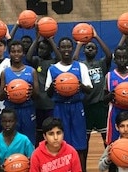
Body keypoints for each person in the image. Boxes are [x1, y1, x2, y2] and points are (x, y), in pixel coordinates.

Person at [45, 37, 93, 172]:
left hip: (76, 106)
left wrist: (78, 84)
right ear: (58, 49)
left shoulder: (80, 66)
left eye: (68, 47)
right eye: (63, 47)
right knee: (60, 142)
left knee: (80, 145)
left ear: (72, 48)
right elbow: (48, 94)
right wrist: (54, 86)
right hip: (60, 108)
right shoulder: (53, 69)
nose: (66, 50)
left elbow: (89, 89)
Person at [73, 26, 112, 170]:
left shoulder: (101, 64)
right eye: (87, 48)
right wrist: (79, 44)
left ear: (96, 51)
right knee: (85, 142)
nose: (90, 49)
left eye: (92, 48)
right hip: (86, 107)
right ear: (84, 50)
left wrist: (96, 37)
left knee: (106, 140)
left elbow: (109, 55)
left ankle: (110, 165)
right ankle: (83, 169)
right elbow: (74, 59)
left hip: (100, 106)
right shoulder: (81, 65)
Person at [0, 40, 39, 145]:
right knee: (12, 140)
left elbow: (37, 96)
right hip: (11, 110)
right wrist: (6, 92)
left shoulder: (31, 71)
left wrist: (31, 92)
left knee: (29, 141)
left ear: (23, 53)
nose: (16, 54)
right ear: (9, 54)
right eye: (13, 51)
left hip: (27, 109)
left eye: (19, 51)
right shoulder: (5, 72)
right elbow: (0, 97)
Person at [26, 31, 61, 147]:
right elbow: (28, 57)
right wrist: (37, 38)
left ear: (50, 50)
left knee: (51, 130)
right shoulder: (37, 61)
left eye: (44, 49)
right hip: (38, 103)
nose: (40, 51)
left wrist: (51, 40)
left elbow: (60, 57)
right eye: (39, 48)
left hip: (51, 104)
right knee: (39, 132)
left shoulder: (54, 63)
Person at [0, 108, 34, 172]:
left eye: (10, 121)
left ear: (16, 122)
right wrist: (4, 166)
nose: (7, 125)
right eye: (4, 121)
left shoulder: (24, 140)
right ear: (1, 122)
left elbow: (33, 161)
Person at [104, 46, 128, 145]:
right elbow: (104, 100)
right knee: (113, 144)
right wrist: (111, 96)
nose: (122, 60)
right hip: (115, 111)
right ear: (115, 59)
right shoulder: (109, 76)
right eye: (119, 57)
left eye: (124, 57)